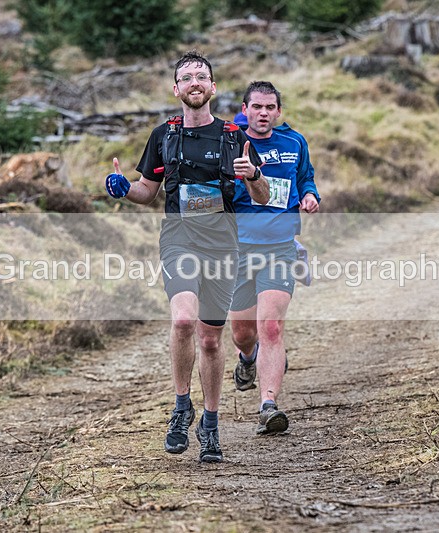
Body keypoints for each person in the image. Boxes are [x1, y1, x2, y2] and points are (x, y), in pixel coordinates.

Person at [104, 51, 268, 462]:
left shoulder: (235, 136)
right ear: (175, 89)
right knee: (182, 321)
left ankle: (210, 424)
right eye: (186, 77)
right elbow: (148, 192)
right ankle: (181, 408)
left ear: (212, 88)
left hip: (222, 244)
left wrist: (254, 176)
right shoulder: (164, 136)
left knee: (211, 340)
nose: (194, 82)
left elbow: (261, 197)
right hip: (179, 238)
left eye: (202, 77)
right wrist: (122, 188)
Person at [229, 81, 320, 435]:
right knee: (242, 332)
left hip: (280, 247)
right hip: (238, 249)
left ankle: (268, 406)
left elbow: (306, 179)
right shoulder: (231, 142)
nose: (263, 113)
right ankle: (247, 358)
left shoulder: (294, 142)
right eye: (257, 107)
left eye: (270, 107)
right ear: (246, 109)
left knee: (271, 326)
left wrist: (311, 196)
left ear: (278, 112)